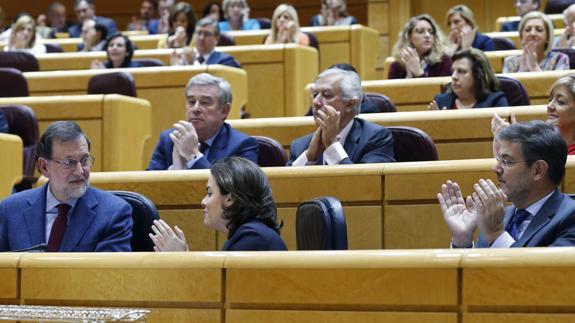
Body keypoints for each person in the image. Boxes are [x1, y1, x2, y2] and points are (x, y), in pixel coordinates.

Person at [438, 120, 575, 248]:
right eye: (498, 160)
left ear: (538, 170)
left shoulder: (570, 217)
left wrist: (496, 234)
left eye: (506, 161)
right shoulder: (499, 216)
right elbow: (480, 273)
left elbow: (546, 273)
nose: (496, 168)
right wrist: (462, 241)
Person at [0, 121, 133, 252]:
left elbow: (108, 273)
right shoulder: (11, 210)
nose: (80, 171)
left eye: (85, 160)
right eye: (68, 162)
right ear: (44, 167)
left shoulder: (113, 213)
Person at [150, 157, 287, 251]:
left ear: (229, 199)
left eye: (210, 193)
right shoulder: (251, 233)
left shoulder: (252, 238)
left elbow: (217, 292)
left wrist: (180, 261)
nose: (203, 202)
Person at [147, 73, 258, 170]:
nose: (195, 109)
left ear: (224, 110)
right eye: (191, 102)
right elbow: (148, 187)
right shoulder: (169, 139)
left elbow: (235, 191)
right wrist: (175, 170)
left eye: (205, 102)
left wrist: (193, 156)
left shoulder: (242, 146)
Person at [288, 68, 395, 166]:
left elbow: (365, 184)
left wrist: (332, 146)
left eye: (327, 95)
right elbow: (283, 186)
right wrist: (309, 157)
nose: (316, 102)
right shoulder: (299, 146)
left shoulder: (376, 138)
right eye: (315, 95)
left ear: (350, 104)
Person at [493, 73, 575, 155]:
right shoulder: (541, 141)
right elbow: (502, 166)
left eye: (560, 102)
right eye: (550, 99)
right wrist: (505, 141)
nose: (550, 106)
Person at [429, 48, 509, 110]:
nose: (454, 77)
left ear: (478, 75)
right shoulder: (440, 101)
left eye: (461, 71)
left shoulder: (496, 102)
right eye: (453, 71)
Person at [388, 14, 452, 79]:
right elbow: (390, 89)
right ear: (409, 37)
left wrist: (419, 72)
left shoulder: (444, 61)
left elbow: (444, 89)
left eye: (431, 32)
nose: (427, 35)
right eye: (420, 31)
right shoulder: (398, 64)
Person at [503, 11, 569, 73]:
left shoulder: (560, 59)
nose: (532, 33)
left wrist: (534, 67)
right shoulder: (510, 62)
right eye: (527, 30)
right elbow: (508, 85)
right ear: (522, 37)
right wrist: (522, 70)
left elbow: (559, 85)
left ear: (548, 37)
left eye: (539, 30)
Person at [170, 17, 241, 68]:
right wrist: (176, 69)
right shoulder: (184, 59)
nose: (201, 38)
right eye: (198, 33)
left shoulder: (226, 62)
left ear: (216, 38)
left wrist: (190, 66)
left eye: (207, 34)